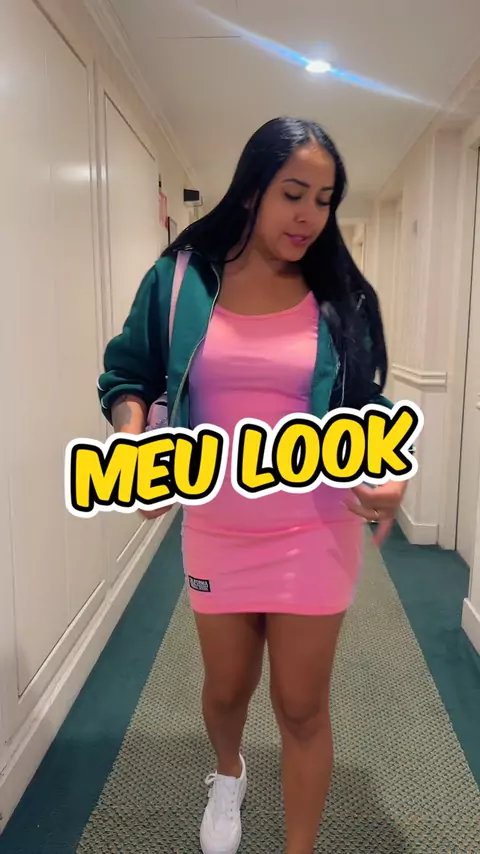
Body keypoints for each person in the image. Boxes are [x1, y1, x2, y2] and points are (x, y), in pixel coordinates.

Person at [98, 117, 407, 854]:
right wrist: (132, 435)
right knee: (225, 691)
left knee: (302, 706)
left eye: (324, 201)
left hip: (315, 528)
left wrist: (389, 470)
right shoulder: (180, 279)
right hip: (217, 526)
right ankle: (229, 773)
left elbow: (366, 407)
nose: (309, 216)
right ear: (250, 190)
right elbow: (127, 373)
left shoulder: (340, 296)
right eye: (292, 194)